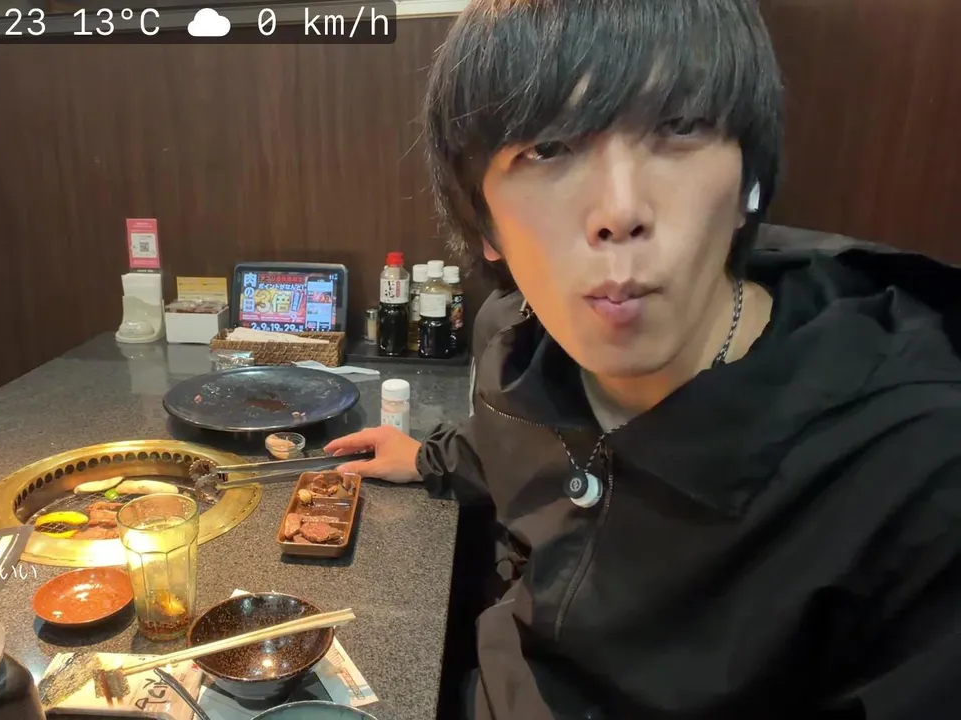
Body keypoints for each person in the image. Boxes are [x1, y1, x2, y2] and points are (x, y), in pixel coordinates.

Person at [324, 1, 961, 718]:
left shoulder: (916, 467)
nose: (619, 212)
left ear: (747, 183)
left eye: (679, 126)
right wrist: (426, 457)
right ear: (485, 226)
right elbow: (514, 437)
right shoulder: (518, 341)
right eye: (549, 148)